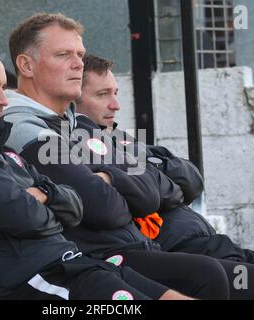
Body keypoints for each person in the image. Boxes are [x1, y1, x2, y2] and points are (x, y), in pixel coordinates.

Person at [3, 12, 252, 299]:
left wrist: (109, 177)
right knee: (208, 276)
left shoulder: (81, 124)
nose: (77, 65)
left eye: (80, 55)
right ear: (26, 65)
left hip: (149, 247)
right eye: (63, 54)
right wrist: (121, 189)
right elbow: (102, 207)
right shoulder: (24, 127)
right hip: (96, 261)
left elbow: (153, 189)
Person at [0, 45, 201, 301]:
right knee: (204, 276)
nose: (3, 100)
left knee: (183, 289)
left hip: (72, 266)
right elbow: (27, 216)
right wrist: (47, 200)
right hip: (34, 280)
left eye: (3, 87)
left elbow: (74, 208)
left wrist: (44, 194)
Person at [75, 53, 254, 264]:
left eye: (116, 93)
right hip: (180, 254)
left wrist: (153, 180)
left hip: (209, 242)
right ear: (72, 97)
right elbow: (147, 193)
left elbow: (192, 179)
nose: (116, 104)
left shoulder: (120, 138)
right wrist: (156, 180)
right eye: (103, 94)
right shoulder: (75, 147)